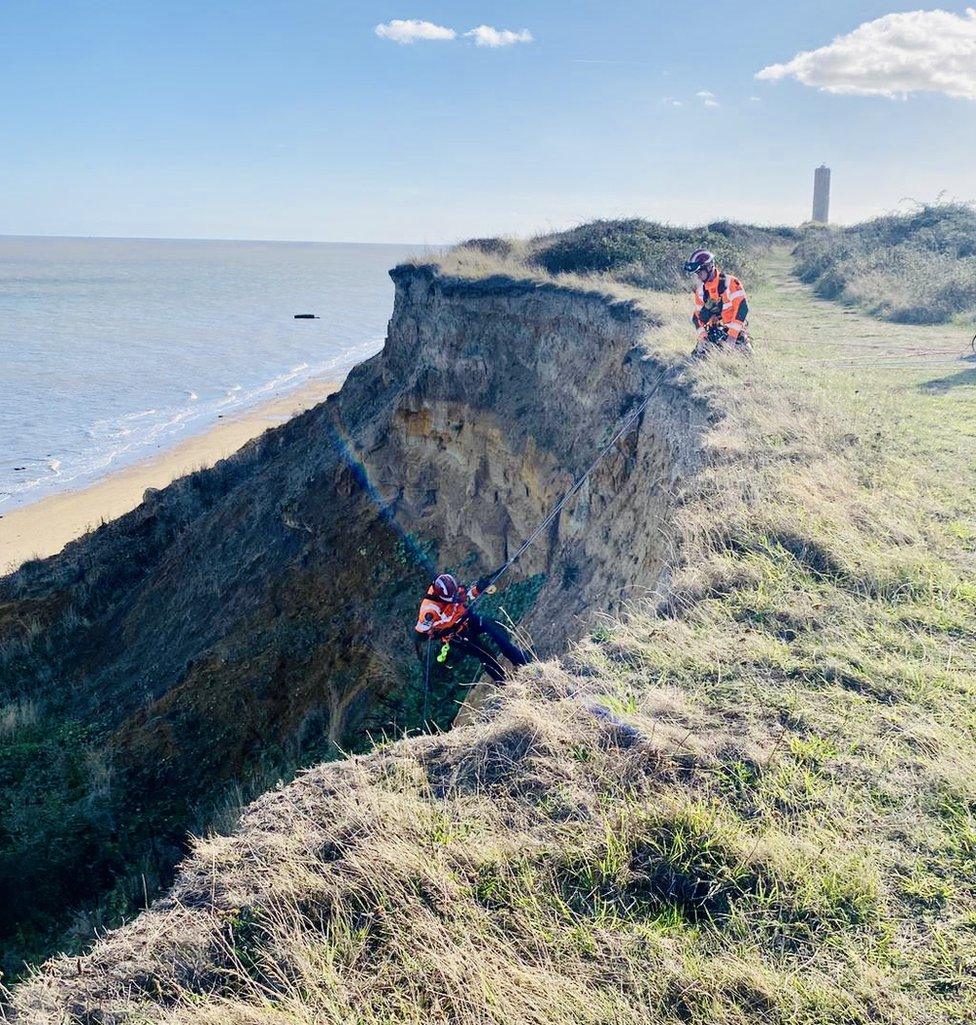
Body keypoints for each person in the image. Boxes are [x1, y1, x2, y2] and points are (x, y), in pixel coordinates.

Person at [414, 572, 531, 682]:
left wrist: (479, 589)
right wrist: (441, 631)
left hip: (468, 620)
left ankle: (520, 660)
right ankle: (503, 682)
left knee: (494, 627)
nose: (455, 598)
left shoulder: (450, 590)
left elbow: (464, 596)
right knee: (485, 654)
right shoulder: (430, 610)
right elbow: (420, 636)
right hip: (456, 634)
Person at [683, 249, 751, 356]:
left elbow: (742, 308)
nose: (698, 276)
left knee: (747, 359)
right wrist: (703, 337)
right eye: (696, 273)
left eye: (699, 272)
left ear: (709, 267)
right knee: (695, 361)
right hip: (713, 333)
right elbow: (696, 318)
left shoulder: (731, 282)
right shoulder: (700, 291)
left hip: (736, 334)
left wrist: (732, 336)